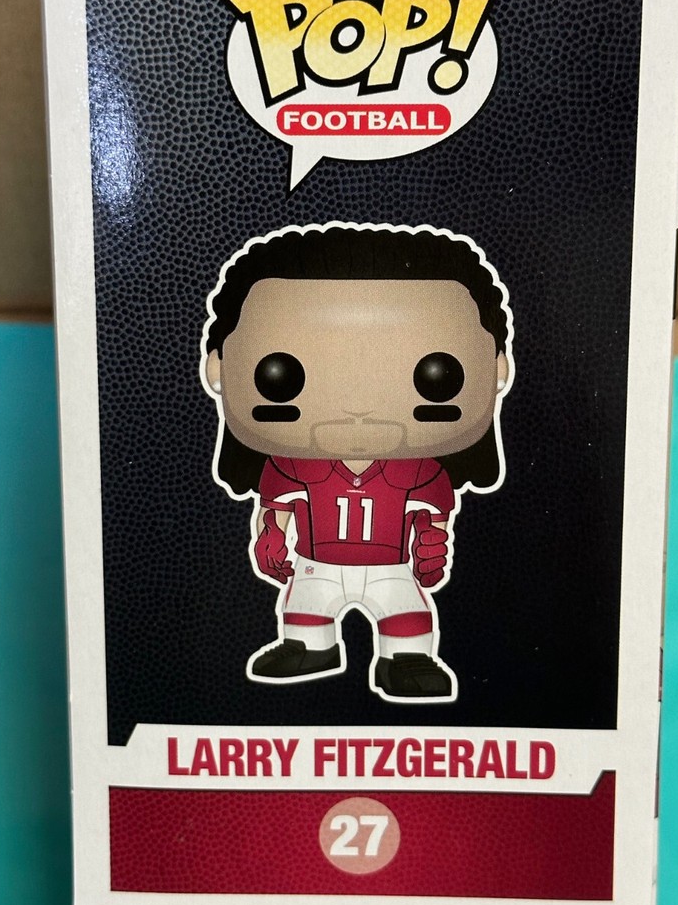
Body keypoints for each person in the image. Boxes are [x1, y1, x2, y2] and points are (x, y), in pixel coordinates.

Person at [201, 223, 513, 702]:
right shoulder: (292, 467)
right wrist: (270, 537)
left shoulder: (421, 472)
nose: (358, 407)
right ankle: (309, 646)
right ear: (219, 368)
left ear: (497, 370)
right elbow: (276, 507)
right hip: (315, 563)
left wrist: (431, 547)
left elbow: (431, 517)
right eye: (281, 375)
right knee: (308, 606)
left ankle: (407, 657)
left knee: (403, 609)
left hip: (392, 566)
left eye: (437, 376)